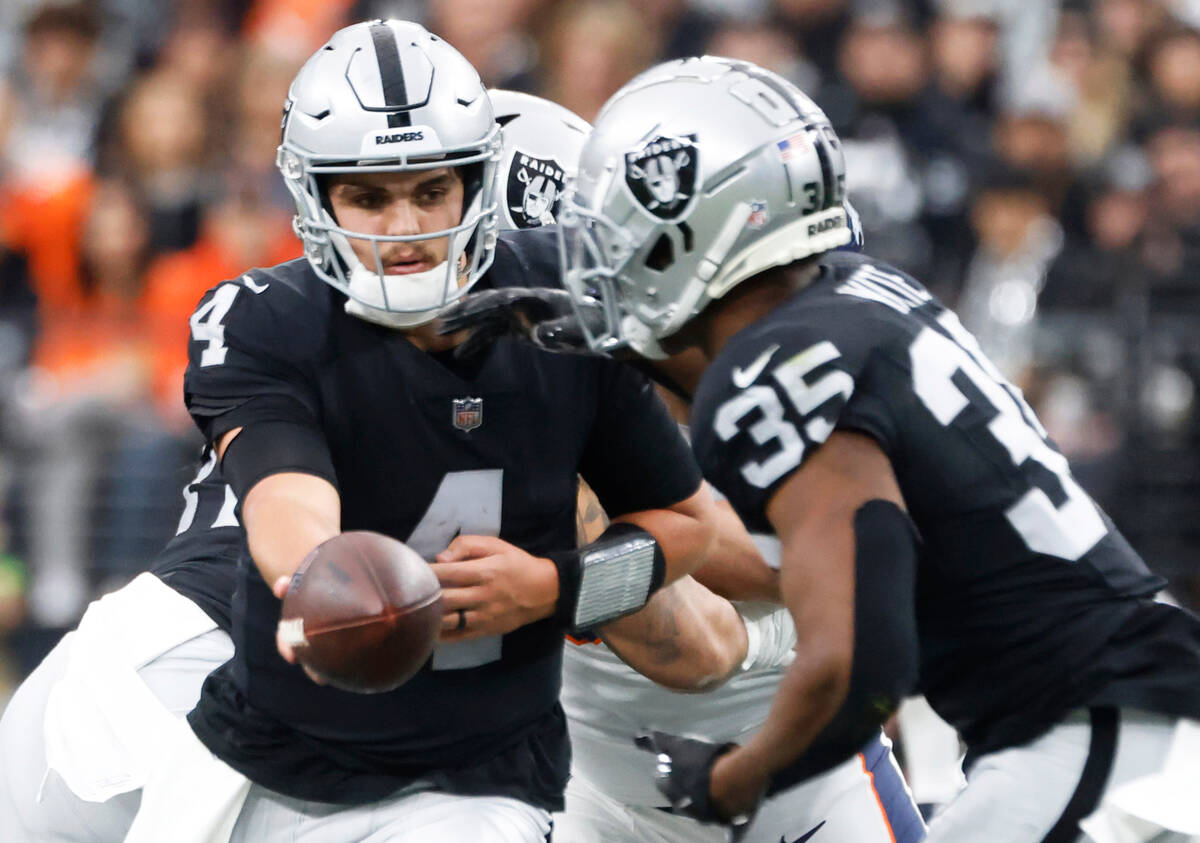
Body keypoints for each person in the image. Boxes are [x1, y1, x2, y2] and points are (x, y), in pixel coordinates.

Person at [0, 22, 722, 843]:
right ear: (315, 200)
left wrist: (558, 586)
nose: (406, 229)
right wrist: (329, 581)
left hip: (438, 770)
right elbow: (290, 509)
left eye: (433, 190)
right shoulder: (272, 318)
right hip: (200, 681)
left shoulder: (570, 324)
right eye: (370, 195)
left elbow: (692, 549)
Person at [447, 56, 1200, 842]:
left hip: (1094, 731)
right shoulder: (859, 293)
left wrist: (729, 779)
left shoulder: (779, 376)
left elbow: (854, 666)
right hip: (1119, 706)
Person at [476, 89, 922, 843]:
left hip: (795, 764)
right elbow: (694, 647)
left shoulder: (749, 343)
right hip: (587, 783)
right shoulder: (487, 408)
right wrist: (821, 600)